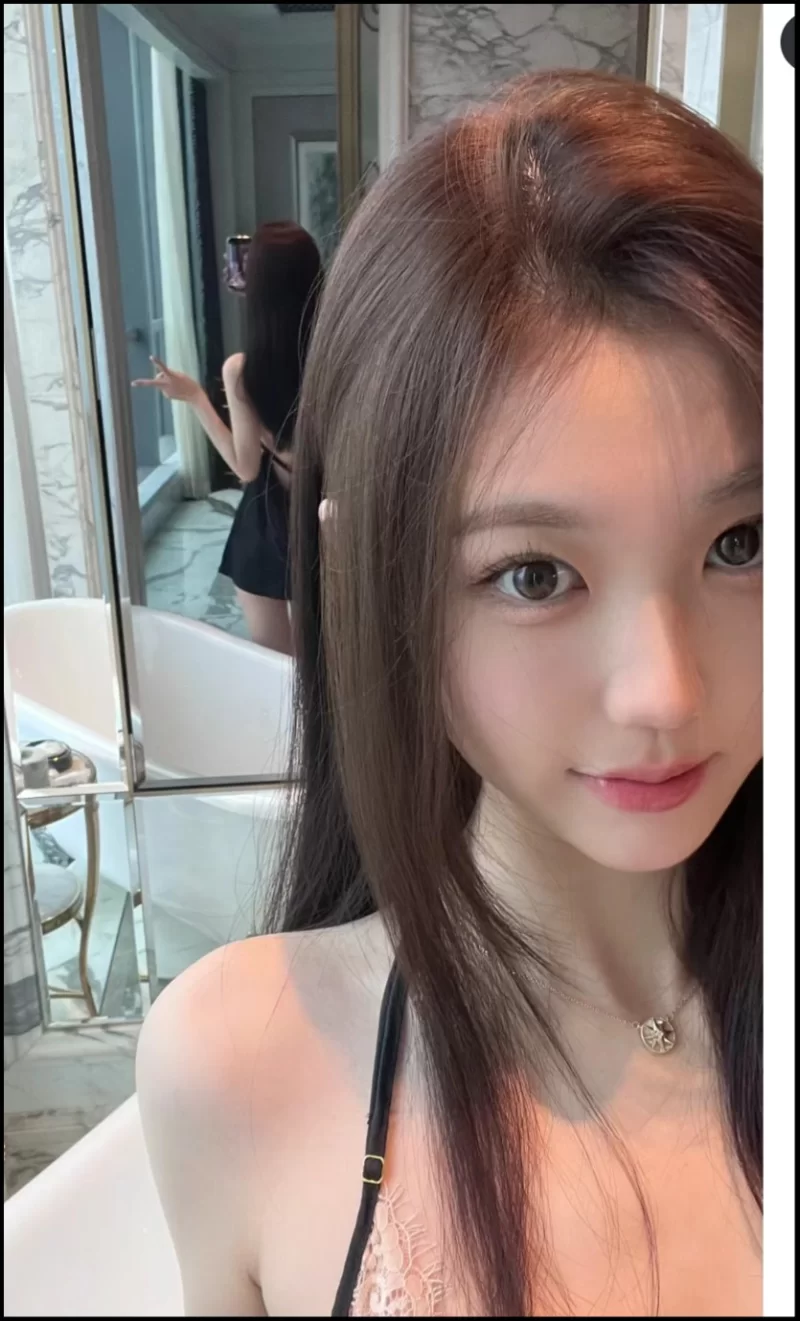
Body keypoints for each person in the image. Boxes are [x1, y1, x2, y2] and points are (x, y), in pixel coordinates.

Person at [136, 72, 762, 1317]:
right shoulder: (243, 1065)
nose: (661, 690)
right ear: (371, 580)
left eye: (740, 544)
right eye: (533, 573)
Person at [134, 221, 322, 654]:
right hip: (329, 512)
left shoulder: (242, 370)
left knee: (275, 660)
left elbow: (246, 467)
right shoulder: (339, 356)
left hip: (270, 520)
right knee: (326, 653)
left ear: (257, 288)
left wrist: (196, 398)